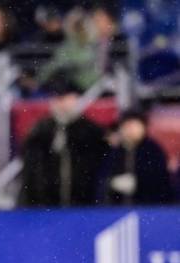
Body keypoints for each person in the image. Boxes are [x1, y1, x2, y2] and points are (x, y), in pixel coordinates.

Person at [19, 77, 109, 206]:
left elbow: (99, 167)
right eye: (57, 99)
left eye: (66, 98)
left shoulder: (90, 131)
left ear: (75, 99)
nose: (61, 104)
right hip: (46, 206)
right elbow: (31, 171)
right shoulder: (40, 131)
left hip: (84, 205)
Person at [98, 109, 174, 205]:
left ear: (143, 127)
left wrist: (138, 183)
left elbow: (161, 180)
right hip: (118, 209)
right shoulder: (115, 152)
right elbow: (102, 177)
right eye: (127, 126)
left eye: (134, 126)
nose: (130, 130)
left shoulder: (153, 150)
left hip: (148, 207)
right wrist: (110, 183)